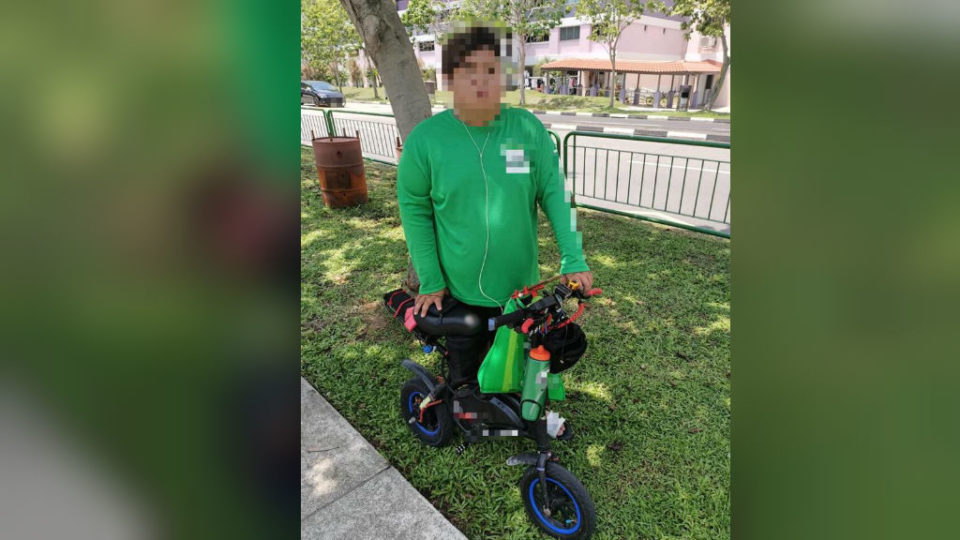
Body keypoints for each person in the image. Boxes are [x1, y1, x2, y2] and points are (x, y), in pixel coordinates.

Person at [397, 24, 593, 393]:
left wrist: (574, 258)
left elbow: (555, 193)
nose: (482, 82)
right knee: (467, 385)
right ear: (451, 78)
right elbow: (414, 210)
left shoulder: (526, 129)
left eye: (492, 71)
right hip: (457, 291)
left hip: (520, 290)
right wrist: (431, 280)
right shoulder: (426, 141)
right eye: (470, 71)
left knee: (517, 376)